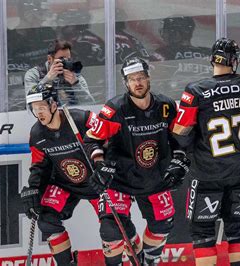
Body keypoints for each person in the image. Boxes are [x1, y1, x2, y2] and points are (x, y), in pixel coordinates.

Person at [172, 38, 240, 266]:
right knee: (238, 231)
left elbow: (179, 133)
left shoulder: (196, 91)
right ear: (234, 61)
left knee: (203, 232)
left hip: (208, 173)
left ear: (212, 60)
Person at [84, 57, 190, 265]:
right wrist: (99, 164)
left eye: (140, 77)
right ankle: (128, 249)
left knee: (162, 225)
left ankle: (147, 261)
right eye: (132, 79)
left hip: (155, 179)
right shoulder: (114, 110)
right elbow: (91, 140)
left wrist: (179, 161)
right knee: (111, 229)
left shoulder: (166, 106)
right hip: (120, 179)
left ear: (149, 78)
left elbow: (179, 140)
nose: (137, 83)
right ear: (126, 83)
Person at [20, 83, 109, 265]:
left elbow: (109, 143)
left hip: (96, 183)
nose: (39, 114)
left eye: (42, 107)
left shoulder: (82, 119)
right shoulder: (37, 134)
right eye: (35, 109)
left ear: (53, 105)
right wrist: (34, 189)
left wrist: (107, 169)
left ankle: (135, 258)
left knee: (113, 227)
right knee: (46, 219)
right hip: (65, 184)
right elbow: (39, 165)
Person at [24, 39, 95, 106]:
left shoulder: (74, 75)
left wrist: (76, 84)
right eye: (62, 59)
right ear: (49, 59)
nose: (66, 62)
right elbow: (30, 104)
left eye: (68, 59)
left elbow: (90, 103)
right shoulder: (34, 74)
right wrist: (47, 79)